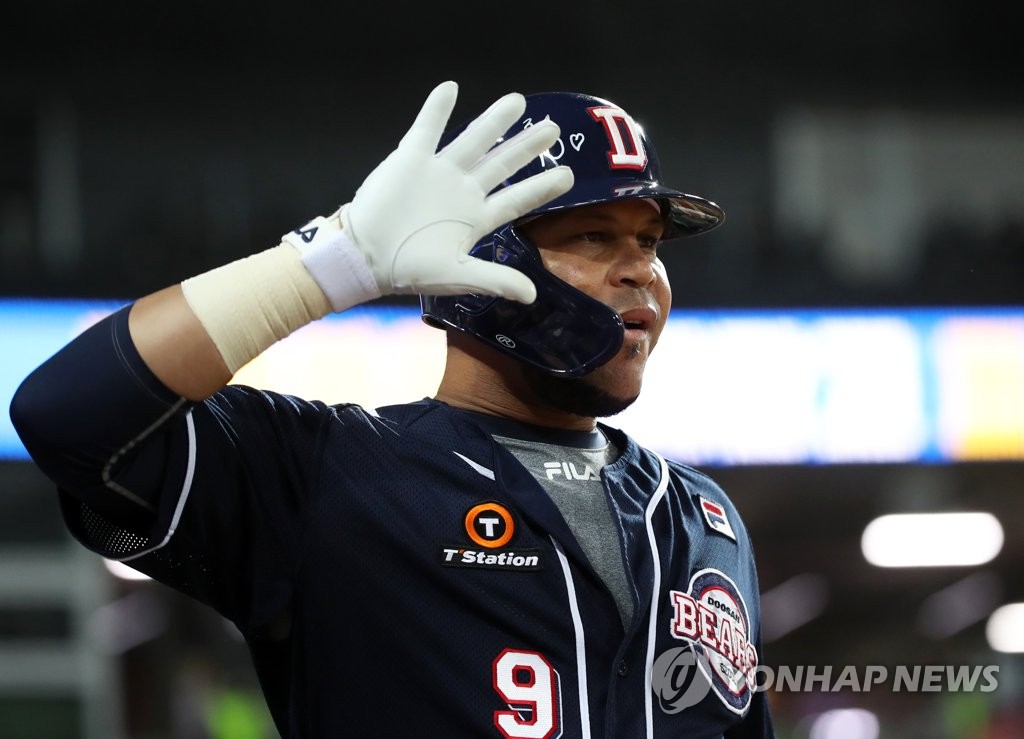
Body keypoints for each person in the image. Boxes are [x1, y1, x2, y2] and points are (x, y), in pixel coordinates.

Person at [11, 81, 775, 737]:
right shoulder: (325, 473)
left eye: (650, 241)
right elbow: (65, 414)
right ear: (478, 260)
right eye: (593, 234)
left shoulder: (704, 516)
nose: (641, 270)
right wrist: (332, 261)